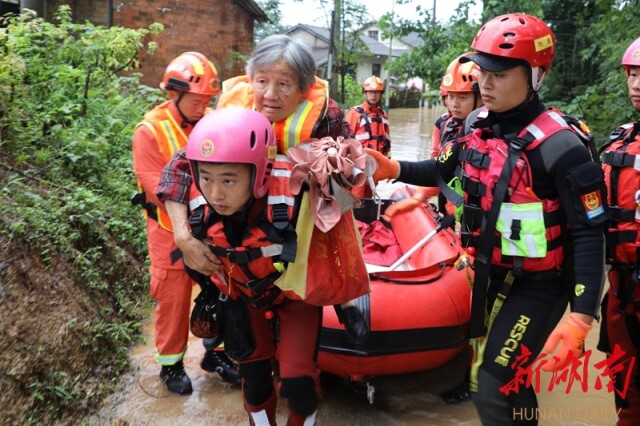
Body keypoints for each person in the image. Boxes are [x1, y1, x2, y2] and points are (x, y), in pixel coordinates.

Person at [366, 13, 607, 425]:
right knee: (514, 380)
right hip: (491, 274)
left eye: (498, 73)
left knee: (491, 384)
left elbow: (589, 232)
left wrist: (582, 315)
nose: (485, 84)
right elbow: (441, 169)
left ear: (534, 75)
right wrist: (393, 168)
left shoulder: (561, 148)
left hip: (541, 285)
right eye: (482, 72)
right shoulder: (477, 126)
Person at [157, 35, 368, 344]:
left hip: (301, 207)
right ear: (249, 79)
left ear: (304, 88)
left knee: (335, 217)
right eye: (262, 81)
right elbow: (178, 167)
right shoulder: (228, 111)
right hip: (246, 207)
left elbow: (353, 176)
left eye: (284, 84)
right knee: (211, 231)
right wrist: (182, 236)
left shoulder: (327, 115)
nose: (270, 95)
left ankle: (343, 300)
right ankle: (219, 296)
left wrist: (329, 167)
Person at [185, 108, 322, 425]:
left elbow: (338, 243)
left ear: (260, 173)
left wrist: (349, 301)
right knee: (255, 381)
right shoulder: (196, 203)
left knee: (299, 385)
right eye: (206, 178)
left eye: (229, 180)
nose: (216, 193)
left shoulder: (294, 194)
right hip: (242, 297)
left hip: (294, 297)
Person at [131, 51, 238, 394]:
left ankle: (217, 354)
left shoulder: (211, 122)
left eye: (207, 99)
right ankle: (171, 365)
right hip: (168, 230)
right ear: (174, 93)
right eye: (196, 98)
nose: (202, 104)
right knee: (173, 297)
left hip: (211, 225)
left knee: (226, 289)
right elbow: (156, 186)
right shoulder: (150, 131)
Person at [598, 36, 640, 426]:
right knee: (622, 379)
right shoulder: (620, 138)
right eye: (632, 74)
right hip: (621, 284)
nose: (637, 84)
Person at [346, 75, 391, 157]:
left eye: (377, 92)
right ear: (364, 93)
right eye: (370, 92)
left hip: (379, 161)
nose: (374, 95)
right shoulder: (354, 113)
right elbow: (345, 140)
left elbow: (387, 142)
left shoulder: (383, 115)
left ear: (381, 94)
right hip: (360, 161)